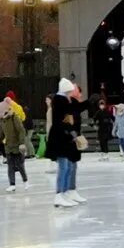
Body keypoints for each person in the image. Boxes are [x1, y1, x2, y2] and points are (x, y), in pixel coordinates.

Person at [47, 78, 86, 208]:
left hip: (65, 139)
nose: (71, 94)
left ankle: (65, 192)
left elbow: (70, 115)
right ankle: (60, 194)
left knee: (68, 166)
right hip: (60, 140)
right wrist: (70, 132)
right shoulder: (60, 101)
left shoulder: (63, 101)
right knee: (64, 167)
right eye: (69, 91)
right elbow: (62, 121)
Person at [0, 92, 30, 190]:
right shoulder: (2, 118)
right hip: (8, 144)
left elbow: (22, 122)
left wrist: (21, 143)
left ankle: (25, 181)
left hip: (17, 143)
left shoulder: (15, 113)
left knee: (20, 165)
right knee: (10, 166)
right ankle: (12, 184)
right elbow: (2, 132)